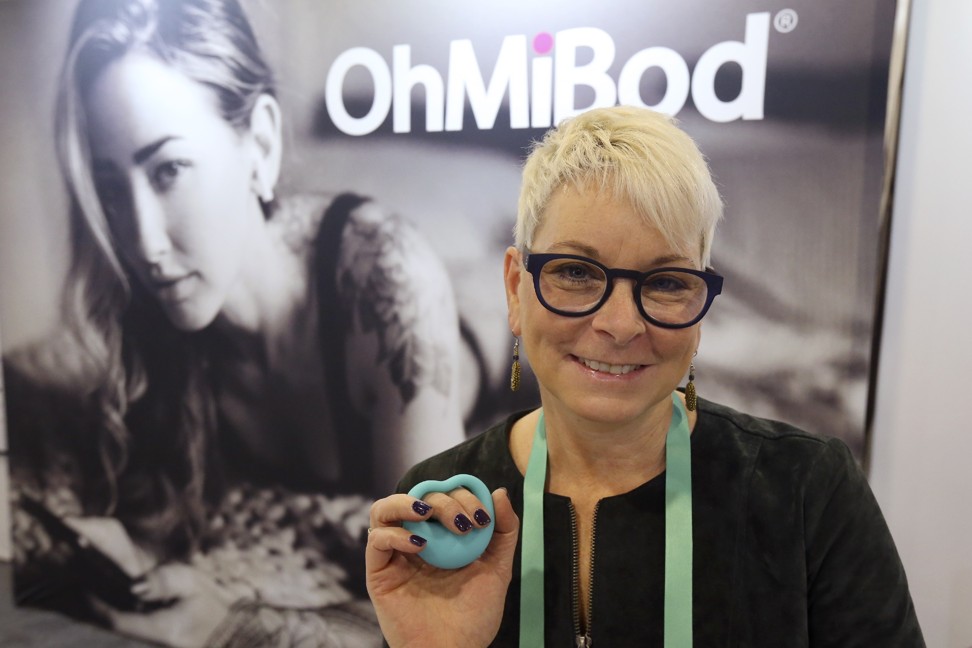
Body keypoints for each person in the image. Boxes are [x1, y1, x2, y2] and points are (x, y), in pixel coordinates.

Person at [365, 105, 925, 647]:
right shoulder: (446, 502)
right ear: (516, 289)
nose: (620, 324)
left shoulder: (807, 491)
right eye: (577, 272)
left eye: (666, 282)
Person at [6, 0, 463, 645]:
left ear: (261, 144)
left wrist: (235, 624)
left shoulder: (385, 285)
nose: (142, 242)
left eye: (168, 170)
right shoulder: (150, 313)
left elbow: (436, 606)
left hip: (469, 327)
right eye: (112, 186)